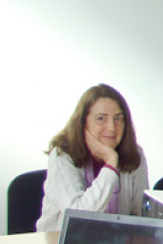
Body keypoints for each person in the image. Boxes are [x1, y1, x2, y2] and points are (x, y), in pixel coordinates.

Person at [37, 85, 149, 231]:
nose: (112, 127)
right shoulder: (62, 155)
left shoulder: (135, 153)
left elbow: (141, 215)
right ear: (83, 123)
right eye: (101, 118)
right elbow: (77, 215)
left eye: (118, 118)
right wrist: (110, 163)